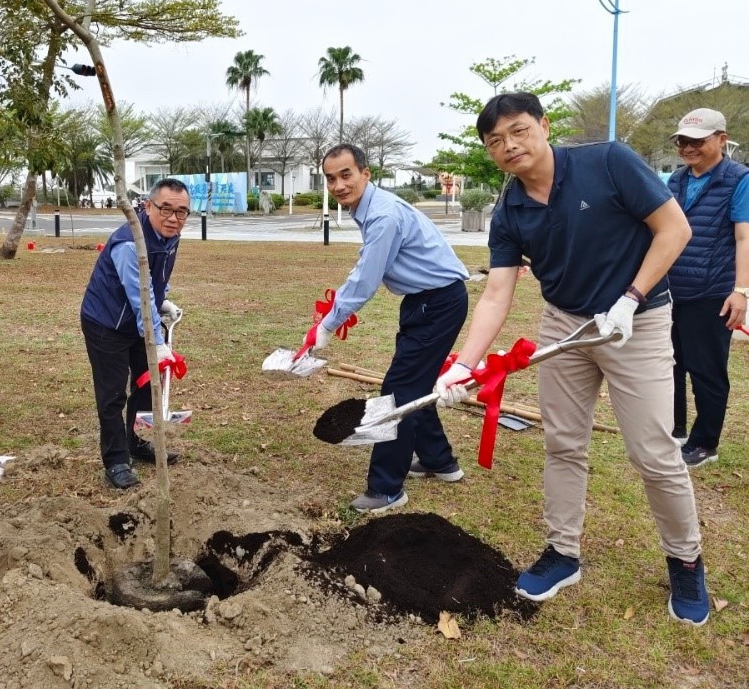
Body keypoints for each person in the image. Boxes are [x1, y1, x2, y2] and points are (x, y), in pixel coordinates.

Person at [435, 92, 709, 625]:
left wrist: (630, 299)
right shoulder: (509, 210)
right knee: (563, 443)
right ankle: (563, 551)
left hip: (640, 318)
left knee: (653, 452)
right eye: (496, 141)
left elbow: (675, 230)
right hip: (566, 324)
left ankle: (686, 559)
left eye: (518, 131)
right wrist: (463, 365)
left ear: (543, 125)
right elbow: (495, 294)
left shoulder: (608, 162)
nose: (510, 145)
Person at [304, 144, 470, 513]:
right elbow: (367, 271)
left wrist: (328, 325)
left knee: (399, 392)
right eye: (331, 178)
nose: (339, 185)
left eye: (346, 175)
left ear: (365, 173)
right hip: (425, 301)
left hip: (438, 301)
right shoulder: (373, 209)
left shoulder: (382, 216)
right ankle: (438, 461)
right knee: (413, 384)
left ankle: (386, 488)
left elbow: (365, 279)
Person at [81, 179, 190, 489]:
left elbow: (155, 280)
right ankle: (116, 461)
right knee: (112, 394)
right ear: (147, 206)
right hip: (106, 323)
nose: (173, 218)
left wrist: (163, 298)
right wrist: (156, 341)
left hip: (136, 320)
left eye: (182, 212)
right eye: (165, 209)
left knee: (144, 386)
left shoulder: (171, 236)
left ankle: (132, 441)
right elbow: (138, 297)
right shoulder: (130, 243)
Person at [666, 108, 749, 467]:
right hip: (671, 289)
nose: (689, 148)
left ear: (721, 139)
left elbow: (744, 237)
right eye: (683, 141)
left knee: (706, 369)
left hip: (712, 291)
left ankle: (705, 442)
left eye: (697, 141)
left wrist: (741, 291)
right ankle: (674, 430)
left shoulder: (738, 179)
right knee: (670, 363)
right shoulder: (675, 180)